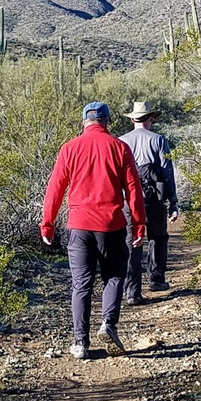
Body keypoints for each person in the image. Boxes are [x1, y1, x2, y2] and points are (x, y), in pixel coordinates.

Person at [41, 102, 146, 359]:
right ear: (107, 122)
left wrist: (48, 223)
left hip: (79, 226)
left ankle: (80, 342)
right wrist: (139, 224)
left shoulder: (69, 149)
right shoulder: (119, 148)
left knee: (81, 284)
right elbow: (133, 190)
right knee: (114, 276)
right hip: (111, 225)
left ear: (84, 122)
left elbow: (55, 188)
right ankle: (108, 325)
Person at [119, 101, 179, 303]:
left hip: (129, 201)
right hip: (155, 199)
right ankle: (156, 279)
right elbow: (168, 172)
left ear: (132, 119)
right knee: (158, 237)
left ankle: (131, 291)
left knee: (131, 243)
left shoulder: (121, 142)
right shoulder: (159, 140)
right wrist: (173, 202)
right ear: (151, 118)